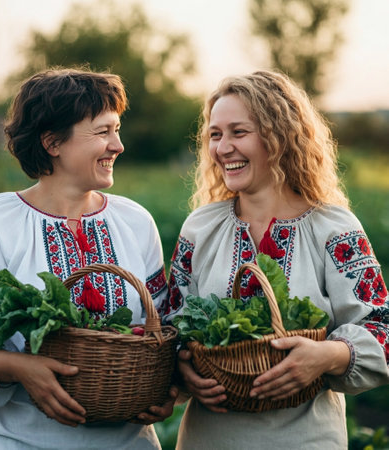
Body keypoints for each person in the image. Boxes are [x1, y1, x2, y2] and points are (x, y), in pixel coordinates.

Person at [0, 68, 177, 450]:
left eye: (117, 130)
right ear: (52, 142)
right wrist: (18, 367)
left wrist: (168, 388)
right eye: (102, 132)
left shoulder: (135, 221)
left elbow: (164, 331)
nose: (118, 145)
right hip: (14, 442)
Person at [161, 70, 389, 449]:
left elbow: (383, 329)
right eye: (215, 135)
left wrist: (329, 355)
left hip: (305, 439)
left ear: (278, 138)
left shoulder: (333, 229)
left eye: (238, 132)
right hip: (210, 438)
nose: (222, 148)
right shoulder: (199, 228)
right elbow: (171, 328)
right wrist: (183, 368)